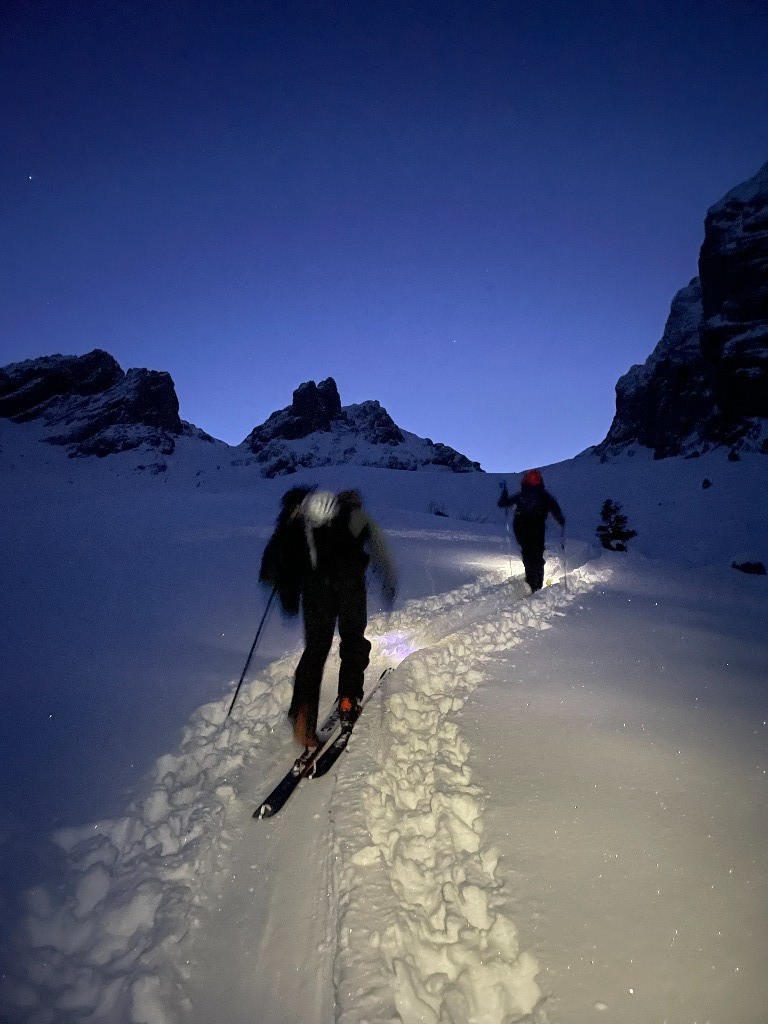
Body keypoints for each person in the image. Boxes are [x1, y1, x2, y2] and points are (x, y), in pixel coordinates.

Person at [259, 486, 397, 748]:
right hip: (350, 589)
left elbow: (285, 558)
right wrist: (388, 581)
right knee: (353, 640)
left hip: (314, 592)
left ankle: (303, 714)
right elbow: (380, 551)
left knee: (316, 649)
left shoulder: (305, 518)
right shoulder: (358, 516)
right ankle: (348, 698)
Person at [498, 469, 565, 592]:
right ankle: (537, 584)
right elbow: (556, 510)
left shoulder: (521, 495)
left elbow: (502, 504)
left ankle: (530, 580)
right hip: (537, 527)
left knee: (527, 552)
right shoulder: (545, 496)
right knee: (537, 554)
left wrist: (504, 494)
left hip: (520, 527)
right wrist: (561, 521)